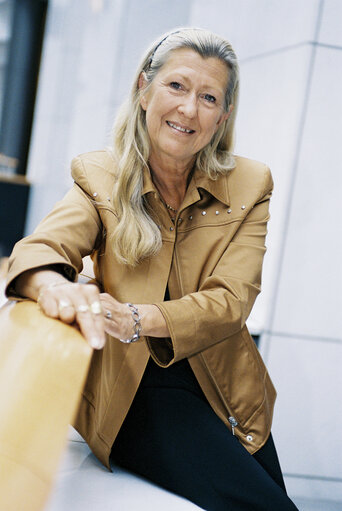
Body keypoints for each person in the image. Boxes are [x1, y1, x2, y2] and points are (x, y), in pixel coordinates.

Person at [6, 28, 299, 511]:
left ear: (224, 115)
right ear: (144, 89)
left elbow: (232, 300)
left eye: (209, 97)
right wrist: (55, 287)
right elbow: (40, 249)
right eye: (177, 86)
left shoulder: (251, 183)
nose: (189, 109)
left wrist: (136, 318)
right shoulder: (98, 174)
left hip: (230, 389)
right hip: (136, 391)